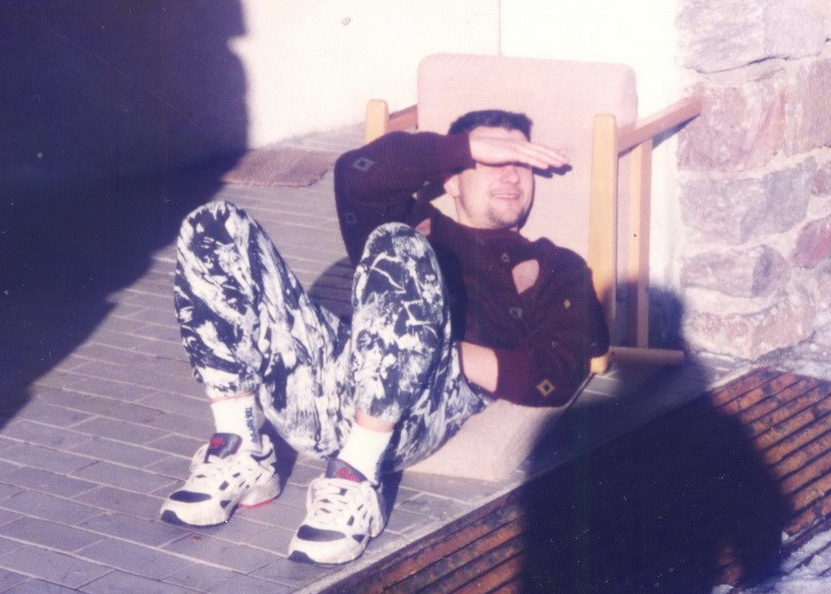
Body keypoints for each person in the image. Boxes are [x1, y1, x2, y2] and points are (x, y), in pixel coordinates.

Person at [161, 109, 609, 565]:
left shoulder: (555, 265)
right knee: (213, 224)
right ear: (452, 181)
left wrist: (430, 349)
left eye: (522, 163)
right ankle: (241, 447)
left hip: (412, 413)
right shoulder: (420, 224)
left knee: (401, 246)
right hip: (324, 383)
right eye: (494, 161)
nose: (511, 175)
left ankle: (357, 476)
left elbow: (557, 375)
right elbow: (355, 172)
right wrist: (465, 148)